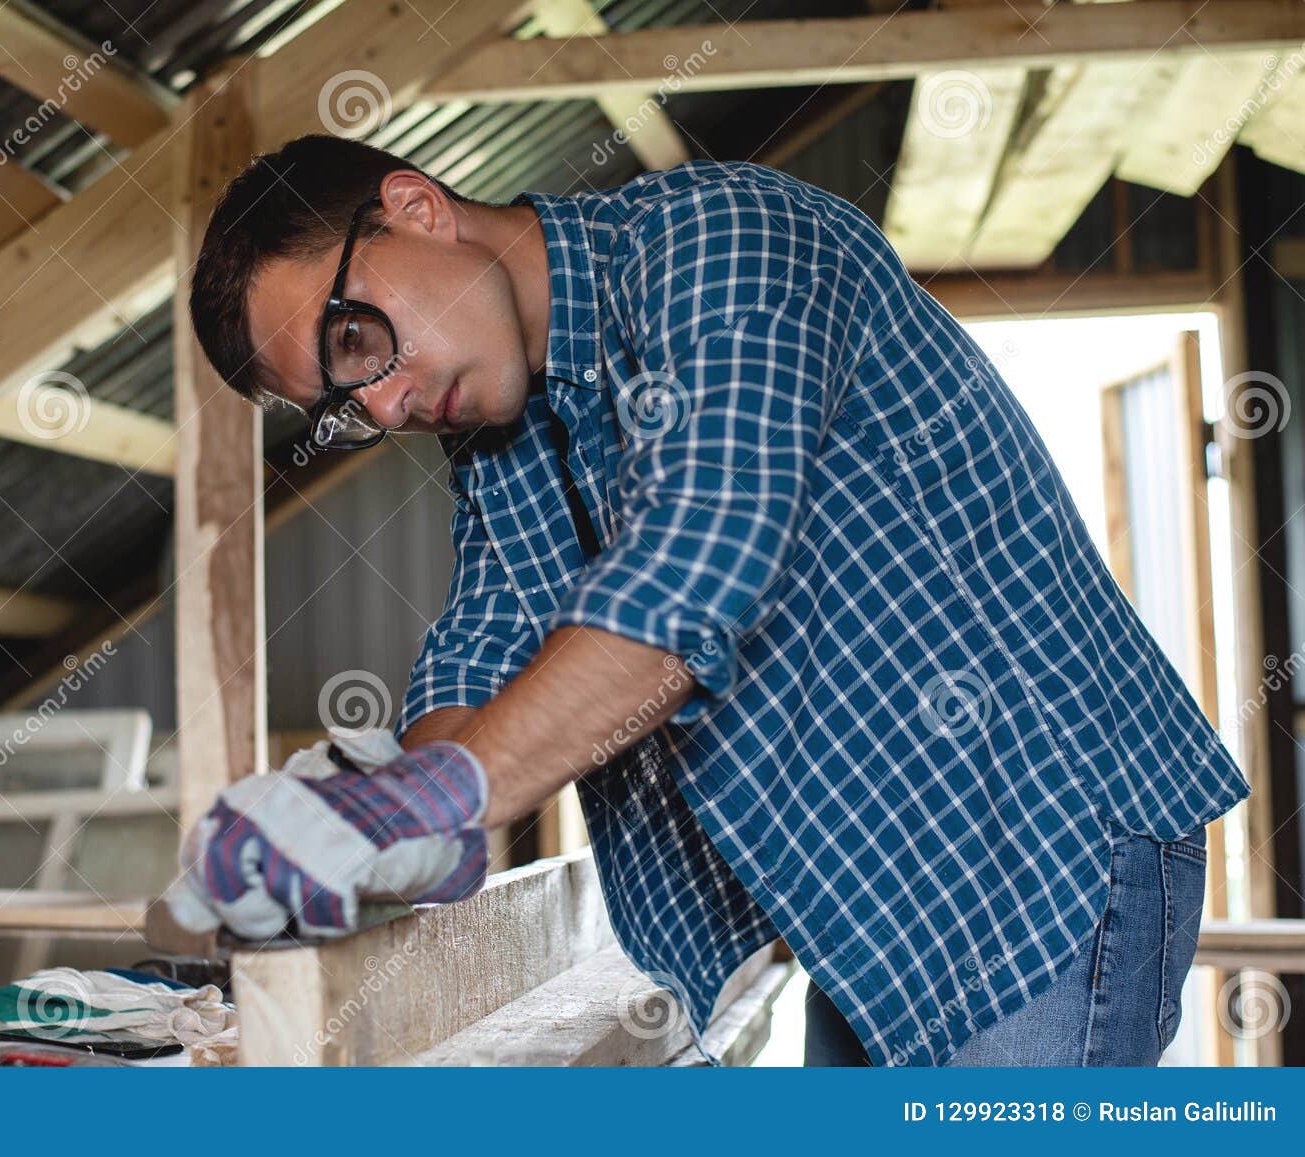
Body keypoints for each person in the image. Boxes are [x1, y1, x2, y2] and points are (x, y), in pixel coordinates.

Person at [167, 134, 1246, 1066]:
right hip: (873, 902)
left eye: (356, 340)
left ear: (416, 208)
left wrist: (435, 797)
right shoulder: (499, 428)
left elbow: (693, 575)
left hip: (1029, 846)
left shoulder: (715, 241)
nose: (388, 399)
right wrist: (393, 811)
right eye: (348, 402)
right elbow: (482, 643)